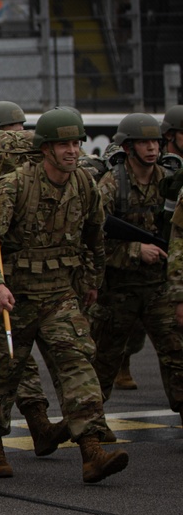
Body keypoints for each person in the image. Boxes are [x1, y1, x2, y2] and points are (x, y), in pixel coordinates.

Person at [0, 108, 129, 484]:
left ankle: (91, 451)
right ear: (46, 149)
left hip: (60, 293)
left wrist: (92, 279)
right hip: (16, 295)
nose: (72, 151)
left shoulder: (85, 183)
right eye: (63, 144)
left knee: (77, 364)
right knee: (2, 373)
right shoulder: (14, 185)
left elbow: (95, 235)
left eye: (76, 143)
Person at [91, 113, 183, 413]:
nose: (152, 148)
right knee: (104, 360)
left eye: (155, 141)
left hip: (159, 288)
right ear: (128, 148)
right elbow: (92, 237)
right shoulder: (110, 185)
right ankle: (91, 425)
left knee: (176, 354)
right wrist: (134, 250)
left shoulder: (170, 183)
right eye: (143, 142)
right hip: (118, 289)